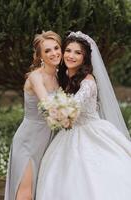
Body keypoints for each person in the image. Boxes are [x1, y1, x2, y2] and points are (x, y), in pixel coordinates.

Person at [35, 31, 131, 200]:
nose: (71, 56)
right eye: (68, 50)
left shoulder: (88, 82)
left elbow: (71, 109)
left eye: (78, 53)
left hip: (90, 132)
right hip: (69, 133)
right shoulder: (64, 76)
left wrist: (54, 111)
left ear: (85, 58)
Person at [4, 30, 62, 200]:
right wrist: (65, 113)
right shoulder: (35, 77)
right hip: (28, 142)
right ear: (40, 56)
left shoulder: (61, 77)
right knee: (25, 193)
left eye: (56, 48)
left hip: (49, 141)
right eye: (47, 51)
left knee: (42, 191)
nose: (54, 53)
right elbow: (46, 103)